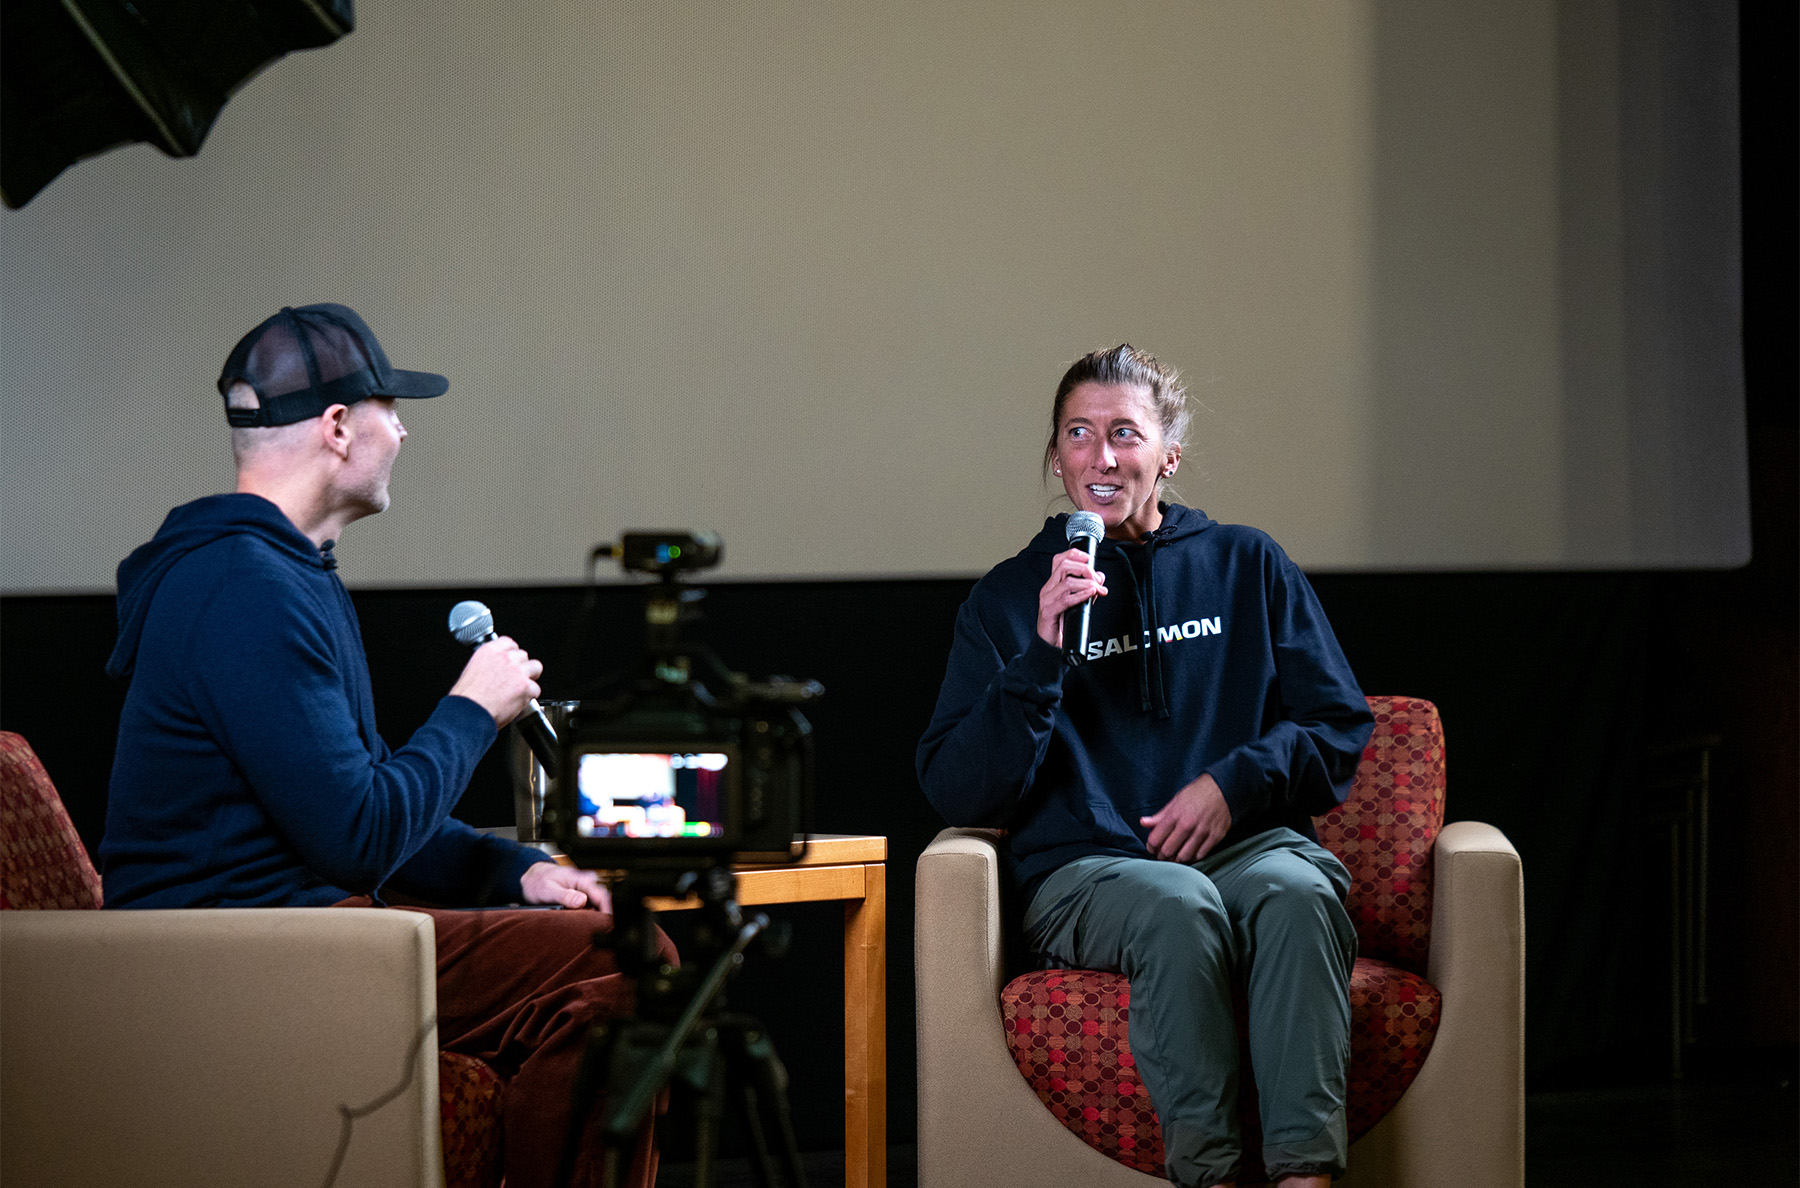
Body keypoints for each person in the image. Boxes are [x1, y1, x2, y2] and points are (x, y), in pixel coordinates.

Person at [100, 303, 672, 1188]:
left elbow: (350, 802)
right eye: (390, 410)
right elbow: (358, 838)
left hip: (303, 935)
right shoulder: (242, 586)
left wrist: (511, 868)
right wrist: (472, 713)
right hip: (236, 959)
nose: (403, 430)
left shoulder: (280, 572)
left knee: (602, 949)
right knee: (633, 962)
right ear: (337, 427)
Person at [916, 344, 1373, 1188]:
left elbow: (1338, 722)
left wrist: (1233, 785)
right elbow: (956, 787)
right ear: (1055, 458)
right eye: (1079, 434)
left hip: (1245, 847)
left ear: (1167, 454)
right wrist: (1043, 659)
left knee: (1302, 890)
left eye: (1124, 433)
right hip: (1088, 867)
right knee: (1178, 905)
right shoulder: (1010, 599)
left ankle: (1307, 1178)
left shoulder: (1247, 563)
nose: (1101, 456)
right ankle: (1213, 1177)